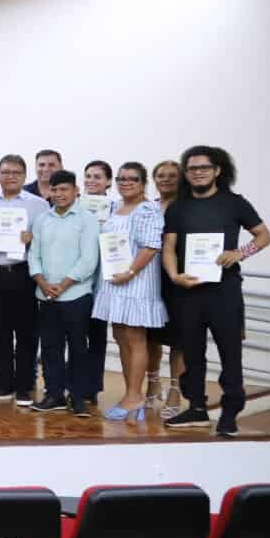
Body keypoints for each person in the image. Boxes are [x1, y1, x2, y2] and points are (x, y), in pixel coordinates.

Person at [163, 146, 270, 436]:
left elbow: (263, 235)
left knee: (230, 353)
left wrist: (240, 253)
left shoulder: (234, 203)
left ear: (218, 170)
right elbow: (169, 248)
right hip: (187, 291)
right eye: (192, 168)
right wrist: (174, 276)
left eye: (204, 167)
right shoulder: (178, 207)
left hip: (224, 291)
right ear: (186, 173)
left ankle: (230, 412)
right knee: (191, 354)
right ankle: (196, 408)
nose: (198, 172)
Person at [92, 161, 167, 422]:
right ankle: (130, 393)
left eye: (132, 179)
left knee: (135, 338)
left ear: (143, 183)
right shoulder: (116, 208)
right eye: (121, 178)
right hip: (114, 282)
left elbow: (150, 246)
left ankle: (135, 395)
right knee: (121, 337)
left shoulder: (147, 209)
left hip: (136, 283)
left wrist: (131, 272)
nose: (125, 183)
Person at [28, 170, 101, 417]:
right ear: (49, 191)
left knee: (79, 347)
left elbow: (89, 259)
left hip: (76, 296)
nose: (59, 194)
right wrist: (42, 281)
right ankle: (54, 394)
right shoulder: (42, 220)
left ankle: (78, 396)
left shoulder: (87, 219)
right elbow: (33, 254)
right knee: (50, 348)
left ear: (75, 190)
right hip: (45, 295)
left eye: (64, 189)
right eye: (54, 189)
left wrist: (64, 284)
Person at [0, 155, 49, 405]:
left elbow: (49, 240)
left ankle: (24, 385)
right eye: (5, 172)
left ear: (24, 175)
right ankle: (4, 383)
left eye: (16, 172)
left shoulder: (39, 205)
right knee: (0, 332)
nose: (10, 176)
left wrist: (34, 238)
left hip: (24, 274)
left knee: (27, 332)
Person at [147, 159, 185, 414]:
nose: (166, 179)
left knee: (178, 337)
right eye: (160, 175)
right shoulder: (148, 208)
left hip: (179, 278)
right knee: (150, 335)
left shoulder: (189, 207)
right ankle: (152, 383)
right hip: (149, 277)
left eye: (172, 175)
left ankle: (175, 389)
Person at [79, 159, 115, 404]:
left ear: (108, 181)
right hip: (77, 280)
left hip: (103, 282)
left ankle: (91, 386)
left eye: (97, 177)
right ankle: (74, 383)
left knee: (97, 335)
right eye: (88, 176)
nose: (92, 181)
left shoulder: (117, 208)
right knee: (75, 335)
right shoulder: (74, 204)